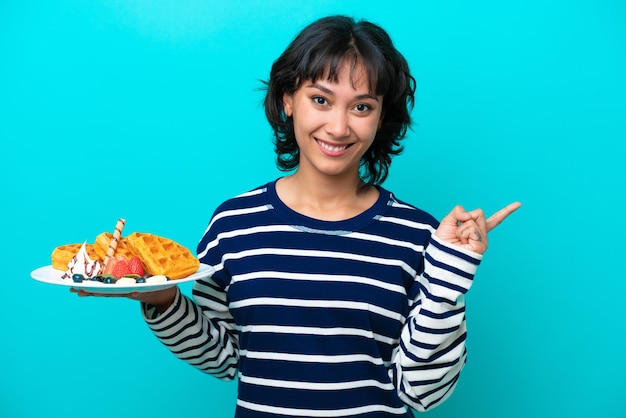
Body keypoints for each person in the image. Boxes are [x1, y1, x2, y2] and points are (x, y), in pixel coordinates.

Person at [75, 15, 520, 417]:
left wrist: (449, 279)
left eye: (361, 106)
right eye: (321, 100)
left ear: (382, 117)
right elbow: (225, 357)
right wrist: (162, 301)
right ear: (288, 99)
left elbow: (422, 392)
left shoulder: (421, 234)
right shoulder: (233, 224)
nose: (339, 126)